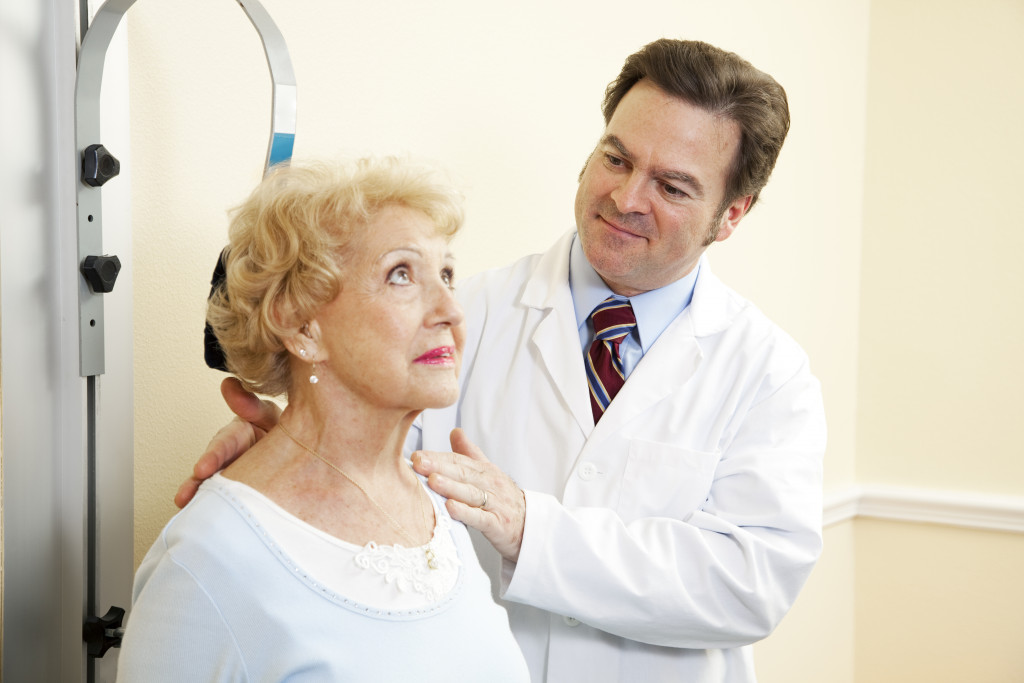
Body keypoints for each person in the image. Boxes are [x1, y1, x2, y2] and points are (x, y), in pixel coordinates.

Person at [182, 39, 826, 682]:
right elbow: (370, 465)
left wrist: (530, 530)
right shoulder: (467, 317)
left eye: (673, 186)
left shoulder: (768, 375)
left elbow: (749, 586)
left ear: (731, 215)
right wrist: (296, 444)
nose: (627, 197)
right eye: (617, 158)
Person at [120, 158, 529, 682]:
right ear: (301, 327)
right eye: (401, 274)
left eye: (446, 273)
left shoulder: (437, 512)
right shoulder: (206, 563)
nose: (451, 307)